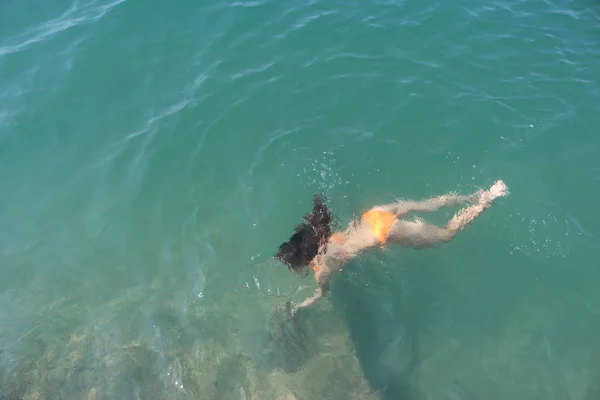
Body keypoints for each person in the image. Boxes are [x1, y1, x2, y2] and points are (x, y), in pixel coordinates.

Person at [274, 180, 509, 314]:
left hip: (384, 232)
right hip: (374, 215)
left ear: (304, 262)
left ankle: (487, 201)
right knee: (429, 205)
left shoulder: (323, 268)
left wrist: (301, 306)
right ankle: (474, 194)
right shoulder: (319, 234)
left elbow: (320, 294)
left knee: (447, 235)